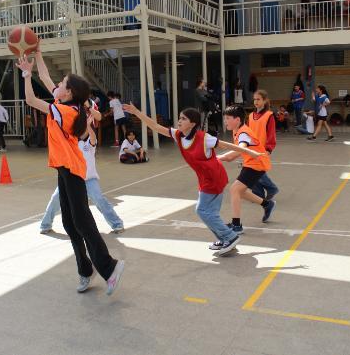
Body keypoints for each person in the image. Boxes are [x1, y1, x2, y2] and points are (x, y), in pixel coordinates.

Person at [17, 51, 124, 296]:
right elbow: (46, 77)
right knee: (68, 221)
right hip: (63, 168)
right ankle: (86, 270)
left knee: (82, 221)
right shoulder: (64, 103)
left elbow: (31, 100)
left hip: (74, 169)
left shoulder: (67, 111)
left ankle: (110, 267)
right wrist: (38, 54)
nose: (58, 84)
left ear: (69, 92)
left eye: (63, 83)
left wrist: (26, 75)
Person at [123, 103, 263, 255]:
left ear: (193, 123)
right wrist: (136, 112)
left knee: (202, 210)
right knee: (211, 213)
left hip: (214, 176)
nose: (179, 121)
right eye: (179, 118)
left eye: (184, 118)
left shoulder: (204, 138)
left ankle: (230, 237)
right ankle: (225, 239)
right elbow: (155, 127)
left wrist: (251, 152)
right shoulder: (178, 135)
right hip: (204, 177)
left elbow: (228, 146)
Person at [41, 113, 125, 235]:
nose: (83, 132)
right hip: (71, 178)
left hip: (89, 179)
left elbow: (93, 137)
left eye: (84, 129)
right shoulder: (70, 144)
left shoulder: (89, 144)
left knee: (99, 199)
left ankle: (117, 224)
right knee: (55, 198)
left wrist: (88, 125)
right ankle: (45, 225)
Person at [220, 105, 276, 233]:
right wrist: (222, 157)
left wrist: (217, 158)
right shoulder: (238, 130)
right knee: (240, 191)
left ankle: (236, 225)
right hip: (251, 163)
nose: (225, 121)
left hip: (257, 164)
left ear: (237, 120)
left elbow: (241, 148)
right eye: (224, 118)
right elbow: (233, 155)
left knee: (234, 189)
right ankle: (267, 204)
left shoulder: (244, 133)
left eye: (228, 118)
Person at [249, 90, 280, 205]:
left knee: (256, 171)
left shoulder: (269, 116)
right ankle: (258, 194)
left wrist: (268, 149)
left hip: (262, 150)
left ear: (265, 101)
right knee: (252, 171)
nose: (256, 102)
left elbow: (271, 134)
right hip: (251, 148)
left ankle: (271, 188)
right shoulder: (251, 116)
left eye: (258, 99)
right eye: (254, 99)